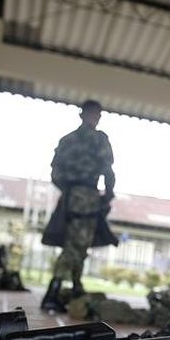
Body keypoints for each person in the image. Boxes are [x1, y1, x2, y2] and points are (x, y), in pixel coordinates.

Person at [41, 100, 116, 312]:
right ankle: (52, 294)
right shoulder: (99, 140)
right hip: (88, 197)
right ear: (86, 115)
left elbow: (55, 172)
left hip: (70, 196)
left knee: (77, 244)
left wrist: (69, 190)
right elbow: (108, 169)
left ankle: (75, 288)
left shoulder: (67, 140)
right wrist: (108, 193)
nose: (97, 118)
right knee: (75, 246)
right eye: (96, 114)